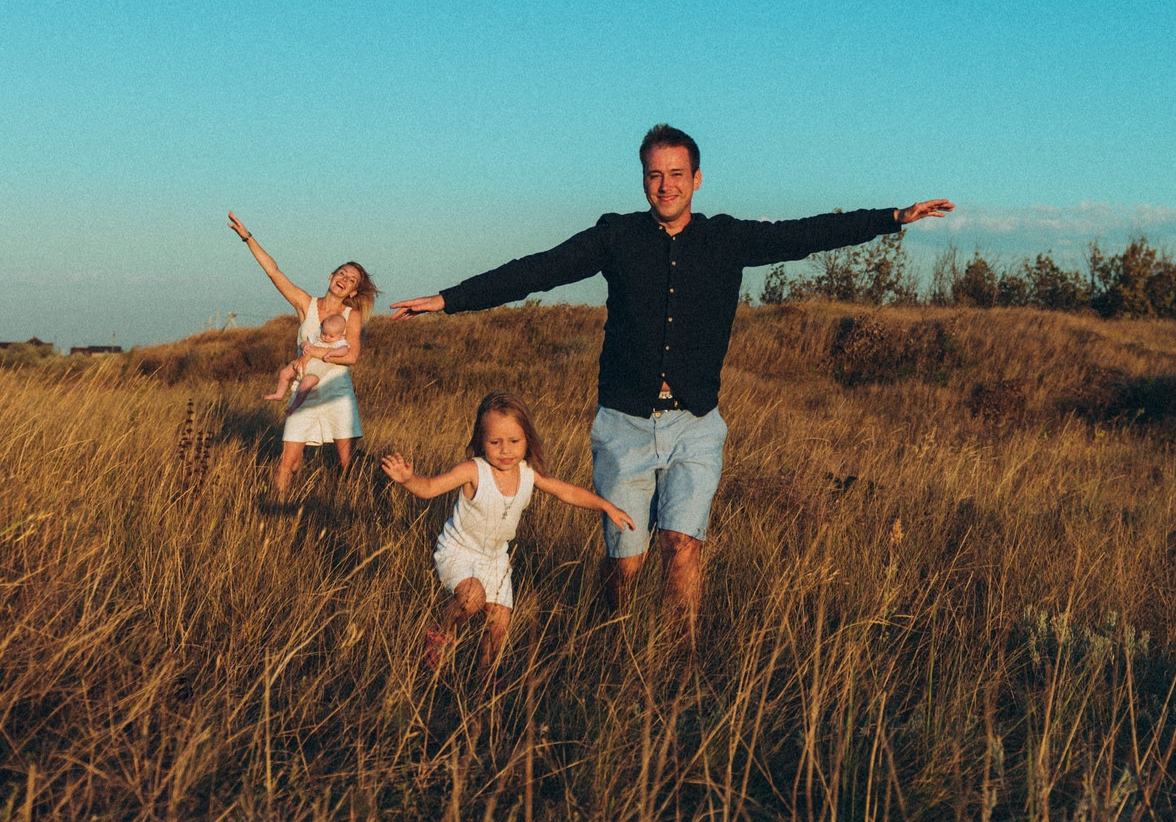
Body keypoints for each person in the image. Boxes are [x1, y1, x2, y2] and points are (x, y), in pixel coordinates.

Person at [390, 125, 950, 643]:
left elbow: (807, 234)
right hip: (624, 424)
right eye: (655, 175)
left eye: (677, 174)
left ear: (697, 179)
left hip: (695, 425)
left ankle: (677, 675)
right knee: (626, 562)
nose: (666, 185)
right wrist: (449, 300)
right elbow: (541, 268)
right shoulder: (617, 237)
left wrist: (894, 216)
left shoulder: (726, 240)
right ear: (643, 179)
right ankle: (606, 640)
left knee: (682, 547)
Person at [380, 391, 636, 670]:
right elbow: (429, 488)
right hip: (459, 552)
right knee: (471, 598)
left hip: (496, 558)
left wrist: (606, 507)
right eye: (495, 442)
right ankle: (442, 631)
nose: (505, 450)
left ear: (527, 440)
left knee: (501, 622)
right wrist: (408, 479)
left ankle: (486, 681)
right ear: (481, 441)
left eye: (514, 441)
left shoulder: (528, 474)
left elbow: (567, 492)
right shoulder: (473, 471)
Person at [227, 211, 376, 493]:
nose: (345, 279)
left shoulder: (350, 315)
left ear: (354, 292)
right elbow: (274, 271)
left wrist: (313, 351)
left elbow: (352, 356)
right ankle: (278, 506)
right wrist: (248, 238)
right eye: (342, 273)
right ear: (331, 276)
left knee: (347, 463)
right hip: (303, 388)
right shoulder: (305, 304)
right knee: (288, 463)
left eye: (352, 280)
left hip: (337, 390)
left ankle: (348, 510)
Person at [267, 309, 351, 412]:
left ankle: (294, 406)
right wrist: (305, 345)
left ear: (341, 335)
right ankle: (279, 394)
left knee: (305, 385)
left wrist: (331, 353)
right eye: (324, 333)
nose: (326, 338)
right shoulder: (317, 335)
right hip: (300, 364)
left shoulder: (340, 343)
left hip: (314, 371)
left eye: (331, 336)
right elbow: (305, 342)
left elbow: (344, 350)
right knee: (284, 373)